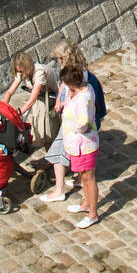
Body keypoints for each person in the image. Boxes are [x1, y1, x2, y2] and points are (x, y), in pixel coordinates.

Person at [59, 65, 100, 228]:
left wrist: (77, 128)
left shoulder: (83, 98)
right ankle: (86, 204)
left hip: (84, 145)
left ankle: (93, 214)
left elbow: (84, 122)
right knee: (83, 177)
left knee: (89, 179)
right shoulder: (80, 89)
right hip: (77, 144)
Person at [1, 52, 59, 149]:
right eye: (18, 71)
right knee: (41, 128)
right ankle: (49, 156)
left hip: (54, 97)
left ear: (27, 66)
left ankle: (53, 156)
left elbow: (32, 100)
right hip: (42, 96)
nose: (20, 74)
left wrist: (17, 114)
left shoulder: (39, 72)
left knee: (48, 129)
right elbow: (9, 92)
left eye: (21, 71)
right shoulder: (21, 72)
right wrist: (2, 109)